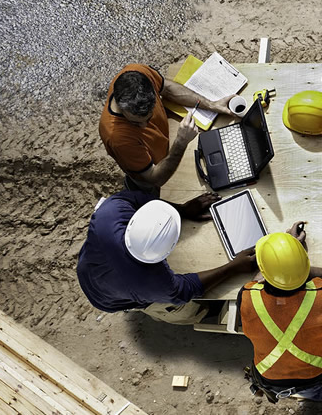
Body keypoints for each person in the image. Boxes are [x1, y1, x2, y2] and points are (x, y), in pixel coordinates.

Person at [76, 190, 253, 324]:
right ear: (167, 253)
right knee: (186, 311)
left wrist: (182, 209)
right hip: (106, 299)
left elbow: (134, 198)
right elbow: (185, 290)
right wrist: (234, 267)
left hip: (87, 268)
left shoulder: (109, 215)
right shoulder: (154, 283)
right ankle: (198, 315)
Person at [237, 229, 322, 403]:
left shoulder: (247, 297)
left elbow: (255, 281)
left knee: (310, 390)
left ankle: (317, 394)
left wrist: (278, 264)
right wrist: (295, 259)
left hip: (270, 376)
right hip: (314, 373)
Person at [99, 64, 235, 195]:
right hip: (152, 173)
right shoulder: (117, 138)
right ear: (120, 106)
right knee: (155, 192)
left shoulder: (138, 72)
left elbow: (168, 89)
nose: (145, 127)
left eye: (149, 118)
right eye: (135, 123)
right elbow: (155, 178)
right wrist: (181, 142)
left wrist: (211, 104)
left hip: (166, 149)